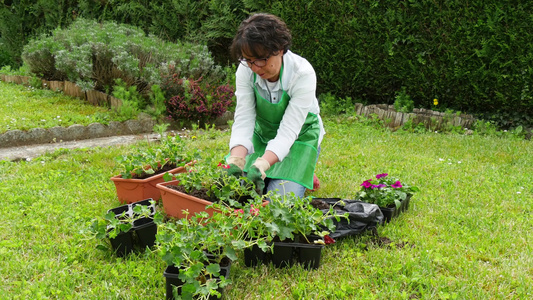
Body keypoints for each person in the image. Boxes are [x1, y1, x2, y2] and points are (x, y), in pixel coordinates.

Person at [226, 13, 325, 198]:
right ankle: (296, 174)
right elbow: (244, 117)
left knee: (276, 202)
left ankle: (303, 170)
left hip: (299, 139)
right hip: (263, 136)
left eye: (261, 59)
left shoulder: (302, 74)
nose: (255, 67)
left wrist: (263, 163)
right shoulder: (246, 70)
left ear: (279, 49)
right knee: (238, 194)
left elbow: (289, 131)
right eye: (248, 60)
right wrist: (237, 159)